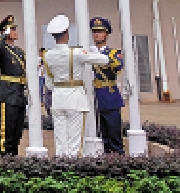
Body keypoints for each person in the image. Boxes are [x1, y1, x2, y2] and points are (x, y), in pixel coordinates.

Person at [43, 15, 109, 158]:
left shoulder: (47, 55)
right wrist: (97, 52)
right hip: (75, 98)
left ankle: (61, 164)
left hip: (58, 99)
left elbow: (48, 82)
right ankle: (72, 169)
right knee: (75, 141)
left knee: (60, 139)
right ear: (67, 34)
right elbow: (104, 60)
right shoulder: (76, 53)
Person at [0, 15, 28, 156]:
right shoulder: (2, 49)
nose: (15, 31)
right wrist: (3, 34)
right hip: (8, 94)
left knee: (17, 132)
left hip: (19, 94)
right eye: (12, 29)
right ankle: (5, 159)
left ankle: (14, 158)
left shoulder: (19, 51)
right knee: (7, 132)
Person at [89, 17, 127, 154]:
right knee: (101, 136)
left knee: (114, 135)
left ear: (107, 34)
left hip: (109, 96)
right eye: (94, 32)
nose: (97, 34)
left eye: (100, 31)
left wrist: (97, 57)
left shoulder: (113, 53)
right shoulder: (88, 53)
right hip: (94, 97)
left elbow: (117, 66)